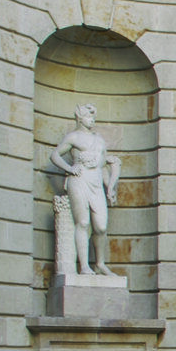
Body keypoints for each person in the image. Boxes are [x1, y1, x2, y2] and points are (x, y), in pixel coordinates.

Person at [50, 103, 122, 277]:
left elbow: (102, 167)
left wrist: (109, 188)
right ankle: (84, 266)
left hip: (96, 182)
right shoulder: (73, 137)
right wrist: (69, 168)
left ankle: (100, 264)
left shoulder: (100, 140)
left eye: (93, 117)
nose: (93, 120)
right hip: (79, 180)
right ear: (79, 118)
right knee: (82, 223)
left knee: (101, 227)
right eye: (89, 117)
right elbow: (54, 155)